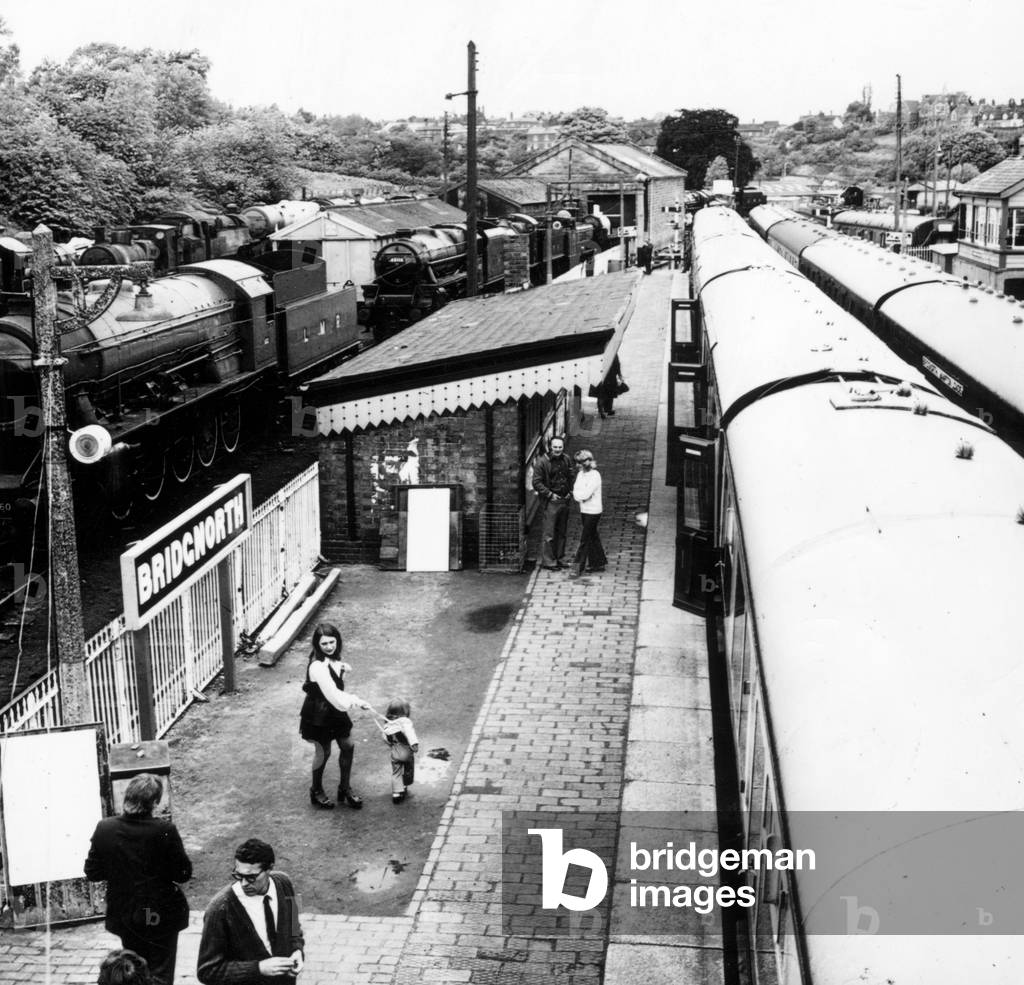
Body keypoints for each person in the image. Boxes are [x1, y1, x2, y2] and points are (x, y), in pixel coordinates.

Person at [84, 774, 192, 985]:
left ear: (127, 797)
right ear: (154, 802)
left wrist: (120, 872)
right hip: (160, 915)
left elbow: (93, 872)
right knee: (161, 972)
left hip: (127, 915)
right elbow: (183, 873)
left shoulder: (105, 828)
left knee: (132, 972)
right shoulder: (164, 830)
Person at [196, 838, 304, 984]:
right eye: (239, 875)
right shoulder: (219, 909)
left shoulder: (285, 882)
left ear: (269, 868)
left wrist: (297, 950)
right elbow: (206, 971)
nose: (244, 884)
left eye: (251, 877)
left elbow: (294, 925)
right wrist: (258, 968)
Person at [299, 622, 373, 809]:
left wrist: (342, 667)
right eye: (324, 644)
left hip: (334, 709)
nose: (329, 647)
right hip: (319, 712)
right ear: (317, 645)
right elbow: (333, 695)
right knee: (323, 752)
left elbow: (335, 671)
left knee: (347, 745)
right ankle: (315, 790)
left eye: (332, 642)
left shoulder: (331, 659)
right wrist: (356, 701)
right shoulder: (317, 666)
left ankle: (344, 788)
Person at [531, 435, 575, 570]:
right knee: (549, 533)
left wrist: (570, 492)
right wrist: (550, 495)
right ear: (550, 447)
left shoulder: (566, 459)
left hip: (564, 500)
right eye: (555, 447)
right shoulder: (542, 462)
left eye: (560, 447)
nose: (557, 450)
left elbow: (571, 476)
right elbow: (536, 482)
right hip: (551, 502)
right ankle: (549, 562)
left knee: (561, 532)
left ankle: (559, 558)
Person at [570, 449, 607, 577]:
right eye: (577, 462)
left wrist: (581, 495)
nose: (577, 465)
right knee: (592, 535)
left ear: (588, 461)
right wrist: (581, 496)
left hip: (594, 511)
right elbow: (576, 492)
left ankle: (577, 568)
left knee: (584, 538)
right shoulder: (580, 475)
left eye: (580, 462)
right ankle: (598, 562)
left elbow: (586, 493)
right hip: (584, 510)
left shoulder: (595, 475)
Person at [381, 698, 419, 804]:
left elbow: (384, 737)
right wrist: (414, 744)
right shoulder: (405, 721)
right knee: (408, 768)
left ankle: (396, 793)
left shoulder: (388, 723)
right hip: (406, 751)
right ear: (405, 712)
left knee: (396, 772)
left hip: (395, 751)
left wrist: (391, 744)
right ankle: (405, 784)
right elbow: (410, 733)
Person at [594, 354, 626, 419]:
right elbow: (617, 364)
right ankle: (607, 409)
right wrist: (619, 374)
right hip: (610, 375)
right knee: (609, 393)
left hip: (600, 374)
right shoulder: (612, 351)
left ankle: (601, 410)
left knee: (601, 393)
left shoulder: (599, 351)